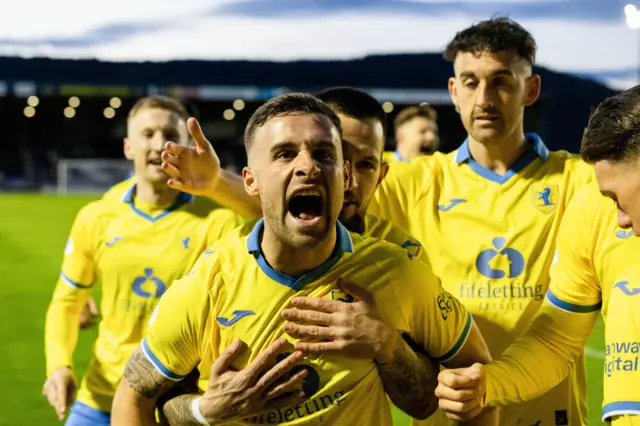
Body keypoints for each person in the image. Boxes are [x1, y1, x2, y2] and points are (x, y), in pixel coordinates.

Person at [159, 18, 594, 426]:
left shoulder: (579, 180)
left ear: (530, 89)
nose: (484, 98)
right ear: (453, 91)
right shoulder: (417, 180)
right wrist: (218, 183)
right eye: (470, 82)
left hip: (549, 408)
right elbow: (298, 212)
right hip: (453, 413)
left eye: (502, 81)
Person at [111, 93, 496, 425]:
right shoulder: (212, 279)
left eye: (324, 154)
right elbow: (133, 396)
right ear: (250, 181)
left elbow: (459, 383)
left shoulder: (396, 269)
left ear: (343, 175)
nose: (308, 166)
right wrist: (207, 410)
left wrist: (387, 344)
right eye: (284, 153)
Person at [434, 85, 640, 425]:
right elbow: (557, 338)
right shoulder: (593, 208)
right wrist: (488, 383)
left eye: (618, 196)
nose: (618, 216)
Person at [42, 95, 245, 425]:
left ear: (186, 146)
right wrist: (59, 365)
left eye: (170, 135)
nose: (159, 144)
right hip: (100, 396)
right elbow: (66, 302)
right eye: (147, 134)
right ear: (128, 147)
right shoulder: (97, 217)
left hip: (172, 402)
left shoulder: (218, 220)